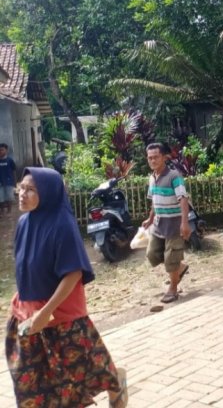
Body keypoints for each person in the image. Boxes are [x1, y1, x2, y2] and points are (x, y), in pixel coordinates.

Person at [6, 167, 128, 407]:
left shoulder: (62, 225)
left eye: (30, 189)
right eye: (21, 187)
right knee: (29, 382)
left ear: (48, 193)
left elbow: (73, 273)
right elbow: (26, 265)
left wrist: (45, 312)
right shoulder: (23, 223)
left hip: (61, 316)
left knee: (82, 370)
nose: (22, 193)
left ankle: (116, 383)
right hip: (27, 313)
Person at [142, 143, 190, 304]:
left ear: (164, 157)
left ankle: (173, 289)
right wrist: (150, 219)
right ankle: (180, 268)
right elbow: (154, 201)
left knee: (171, 258)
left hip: (174, 225)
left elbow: (183, 199)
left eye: (156, 157)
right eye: (150, 158)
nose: (152, 160)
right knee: (152, 254)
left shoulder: (174, 176)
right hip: (158, 224)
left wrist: (184, 223)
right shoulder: (152, 178)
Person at [0, 142, 16, 215]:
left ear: (6, 150)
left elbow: (14, 171)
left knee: (9, 197)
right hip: (0, 182)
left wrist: (14, 181)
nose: (0, 151)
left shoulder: (10, 160)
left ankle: (9, 211)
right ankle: (2, 211)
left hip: (9, 182)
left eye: (2, 150)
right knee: (1, 197)